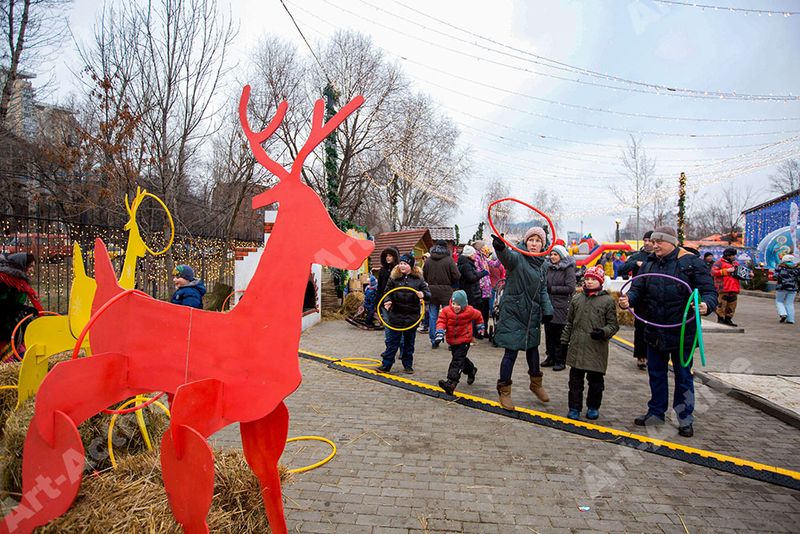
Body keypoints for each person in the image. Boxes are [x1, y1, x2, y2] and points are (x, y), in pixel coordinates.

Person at [618, 226, 716, 438]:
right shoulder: (650, 264)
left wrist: (706, 305)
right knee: (656, 374)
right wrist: (629, 300)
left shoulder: (691, 264)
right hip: (654, 329)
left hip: (682, 333)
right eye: (652, 242)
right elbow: (638, 289)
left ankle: (684, 418)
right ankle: (656, 412)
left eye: (658, 242)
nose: (653, 246)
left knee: (683, 377)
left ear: (672, 242)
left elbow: (709, 292)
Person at [491, 228, 554, 410]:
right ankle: (504, 391)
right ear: (525, 242)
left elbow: (542, 289)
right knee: (510, 353)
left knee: (533, 350)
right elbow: (506, 258)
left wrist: (547, 309)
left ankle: (535, 383)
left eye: (538, 241)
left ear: (543, 244)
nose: (534, 244)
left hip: (532, 315)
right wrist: (500, 248)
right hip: (514, 313)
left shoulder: (543, 265)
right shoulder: (518, 258)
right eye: (531, 240)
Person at [561, 265, 619, 420]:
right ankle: (574, 407)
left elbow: (613, 325)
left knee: (596, 383)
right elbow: (570, 323)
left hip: (596, 349)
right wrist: (563, 342)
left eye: (593, 279)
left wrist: (603, 332)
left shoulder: (607, 301)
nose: (590, 282)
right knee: (574, 383)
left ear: (600, 281)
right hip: (577, 347)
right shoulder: (577, 299)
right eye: (587, 279)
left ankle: (593, 406)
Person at [377, 253, 430, 374]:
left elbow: (428, 294)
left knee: (409, 343)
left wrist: (423, 294)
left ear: (410, 265)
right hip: (396, 315)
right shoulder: (394, 278)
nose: (402, 265)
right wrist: (388, 300)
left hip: (412, 316)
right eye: (400, 263)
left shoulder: (418, 280)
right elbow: (387, 292)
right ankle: (386, 365)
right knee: (392, 342)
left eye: (405, 263)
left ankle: (408, 365)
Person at [435, 290, 484, 395]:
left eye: (458, 304)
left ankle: (451, 383)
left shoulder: (470, 311)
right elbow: (441, 321)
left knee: (457, 361)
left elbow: (479, 315)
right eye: (454, 304)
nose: (455, 306)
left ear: (464, 304)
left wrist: (480, 327)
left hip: (464, 340)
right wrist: (439, 331)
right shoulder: (446, 311)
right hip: (452, 340)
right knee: (460, 359)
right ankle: (471, 370)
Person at [618, 230, 654, 370]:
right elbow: (621, 269)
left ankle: (653, 356)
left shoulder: (658, 257)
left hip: (655, 297)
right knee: (640, 329)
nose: (646, 243)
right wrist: (635, 263)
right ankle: (641, 356)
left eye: (649, 240)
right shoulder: (637, 256)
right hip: (640, 297)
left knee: (654, 328)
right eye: (645, 240)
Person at [0, 252, 43, 360]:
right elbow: (3, 304)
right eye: (31, 266)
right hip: (3, 325)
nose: (32, 270)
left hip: (12, 323)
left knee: (21, 353)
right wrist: (24, 309)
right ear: (22, 265)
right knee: (8, 358)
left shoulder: (19, 281)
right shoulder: (6, 280)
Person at [542, 244, 576, 371]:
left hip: (561, 306)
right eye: (551, 254)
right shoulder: (548, 268)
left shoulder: (568, 269)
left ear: (561, 256)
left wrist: (552, 289)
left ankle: (560, 360)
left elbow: (570, 288)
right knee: (549, 333)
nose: (552, 257)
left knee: (559, 335)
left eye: (555, 254)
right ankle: (550, 357)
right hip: (549, 304)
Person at [423, 240, 461, 348]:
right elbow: (457, 276)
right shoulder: (449, 260)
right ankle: (450, 341)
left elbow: (424, 275)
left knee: (432, 316)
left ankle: (433, 339)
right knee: (449, 317)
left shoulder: (429, 260)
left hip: (431, 291)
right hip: (446, 291)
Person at [368, 246, 400, 328]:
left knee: (395, 321)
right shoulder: (382, 270)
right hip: (384, 298)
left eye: (390, 256)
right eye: (386, 256)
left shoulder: (398, 269)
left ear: (394, 257)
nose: (387, 258)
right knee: (387, 321)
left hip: (396, 299)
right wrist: (378, 299)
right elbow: (379, 286)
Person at [457, 245, 489, 319]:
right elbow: (471, 278)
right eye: (473, 254)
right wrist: (483, 273)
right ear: (469, 255)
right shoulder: (466, 265)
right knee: (472, 315)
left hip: (472, 293)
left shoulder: (467, 264)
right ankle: (473, 330)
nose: (475, 255)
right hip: (471, 294)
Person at [711, 248, 741, 327]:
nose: (734, 257)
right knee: (721, 304)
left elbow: (741, 273)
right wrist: (726, 270)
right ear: (728, 256)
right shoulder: (719, 263)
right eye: (732, 255)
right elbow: (713, 272)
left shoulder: (736, 264)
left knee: (732, 305)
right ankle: (721, 319)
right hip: (723, 288)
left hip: (734, 288)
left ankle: (728, 319)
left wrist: (749, 275)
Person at [474, 245, 494, 336]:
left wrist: (501, 253)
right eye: (483, 247)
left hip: (486, 290)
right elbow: (477, 272)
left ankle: (484, 330)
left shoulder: (484, 258)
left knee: (485, 312)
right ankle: (479, 331)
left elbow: (495, 264)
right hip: (480, 289)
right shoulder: (476, 258)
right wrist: (484, 272)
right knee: (479, 312)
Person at [774, 254, 799, 324]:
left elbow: (775, 276)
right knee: (790, 303)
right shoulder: (796, 267)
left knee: (779, 301)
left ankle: (783, 313)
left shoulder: (780, 267)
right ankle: (791, 319)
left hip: (782, 287)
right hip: (793, 288)